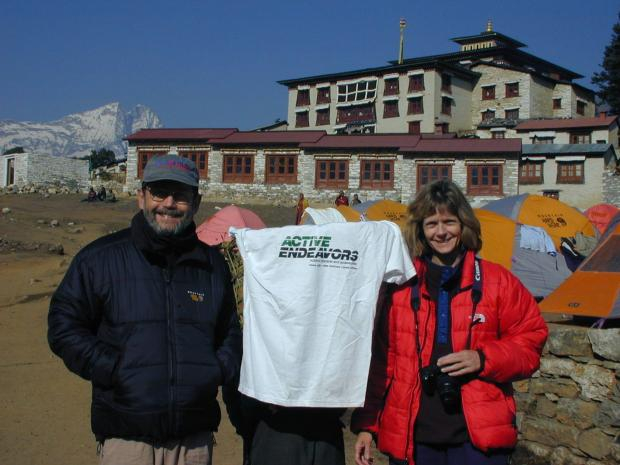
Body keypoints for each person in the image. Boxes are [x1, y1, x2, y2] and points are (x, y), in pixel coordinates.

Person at [48, 153, 242, 465]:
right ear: (141, 197)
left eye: (180, 195)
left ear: (196, 201)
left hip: (193, 440)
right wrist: (114, 367)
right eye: (159, 193)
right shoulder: (100, 259)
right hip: (127, 438)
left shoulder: (212, 265)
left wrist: (215, 370)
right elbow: (63, 325)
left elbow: (231, 330)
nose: (168, 203)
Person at [352, 180, 548, 465]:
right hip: (413, 438)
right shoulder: (401, 286)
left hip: (478, 439)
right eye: (431, 223)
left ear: (464, 225)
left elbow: (531, 342)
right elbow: (382, 362)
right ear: (420, 229)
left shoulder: (498, 281)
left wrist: (483, 358)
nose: (441, 232)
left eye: (449, 222)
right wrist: (367, 425)